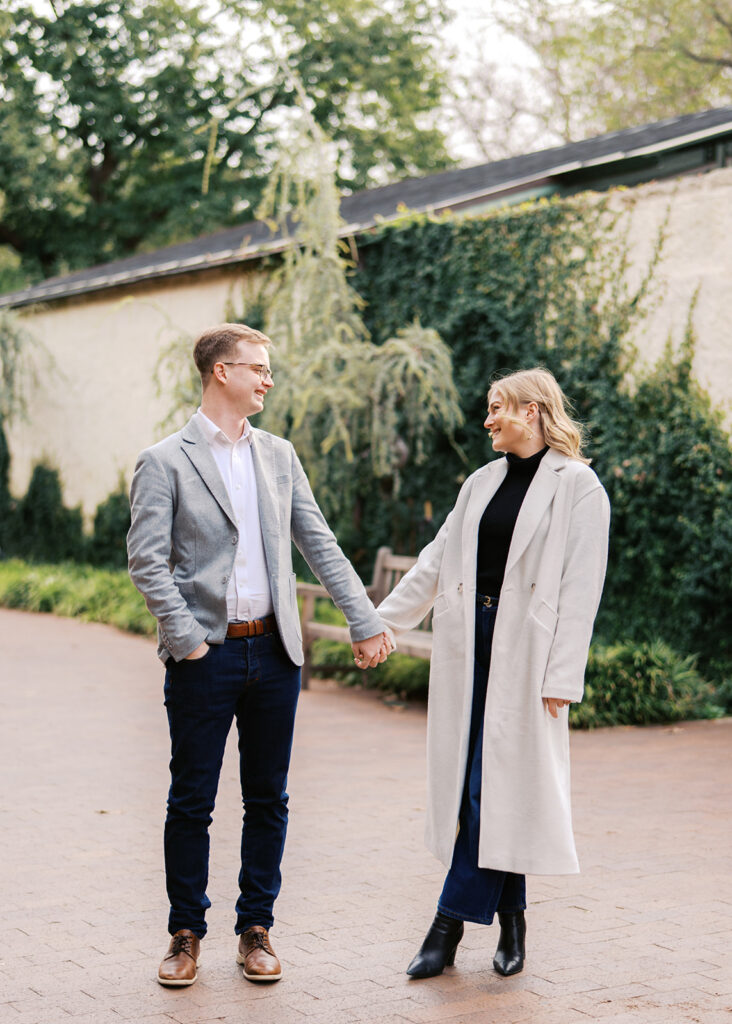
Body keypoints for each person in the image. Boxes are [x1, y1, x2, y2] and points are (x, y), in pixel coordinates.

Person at [127, 323, 391, 987]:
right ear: (221, 372)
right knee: (192, 801)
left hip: (276, 655)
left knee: (268, 799)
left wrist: (364, 619)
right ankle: (185, 934)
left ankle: (256, 929)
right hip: (205, 658)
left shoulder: (279, 455)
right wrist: (186, 641)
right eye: (256, 368)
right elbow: (147, 561)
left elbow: (318, 542)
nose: (267, 379)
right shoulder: (164, 461)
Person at [376, 367, 610, 980]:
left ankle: (446, 926)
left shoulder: (577, 486)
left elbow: (582, 588)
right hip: (470, 643)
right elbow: (434, 562)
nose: (487, 420)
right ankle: (512, 919)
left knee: (491, 786)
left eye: (497, 408)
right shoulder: (479, 483)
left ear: (532, 411)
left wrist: (564, 674)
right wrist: (384, 624)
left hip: (528, 655)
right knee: (484, 785)